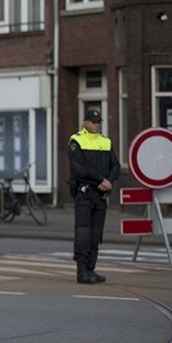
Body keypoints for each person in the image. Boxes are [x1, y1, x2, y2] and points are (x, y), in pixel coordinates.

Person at [68, 109, 120, 284]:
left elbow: (116, 165)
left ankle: (91, 268)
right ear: (85, 122)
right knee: (83, 231)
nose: (97, 124)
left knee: (96, 233)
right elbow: (78, 168)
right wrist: (100, 180)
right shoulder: (76, 140)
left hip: (101, 194)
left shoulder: (105, 142)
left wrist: (109, 181)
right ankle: (82, 271)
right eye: (93, 121)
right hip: (84, 192)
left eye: (98, 122)